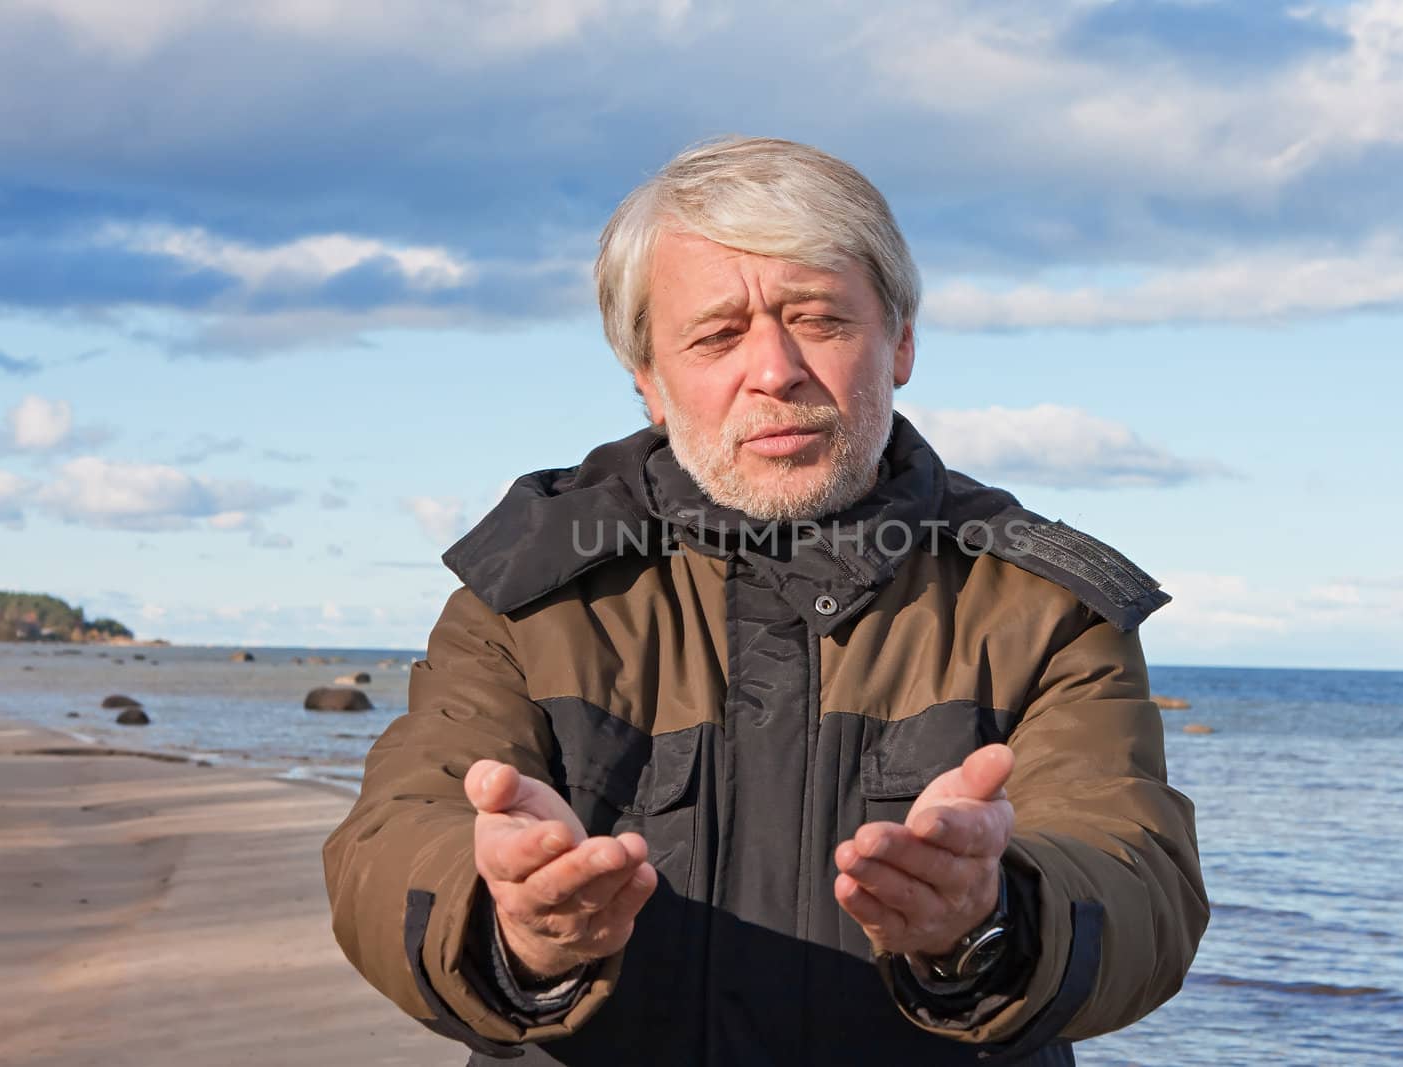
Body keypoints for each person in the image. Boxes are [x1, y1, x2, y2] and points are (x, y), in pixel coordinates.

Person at [324, 136, 1207, 1067]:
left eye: (819, 319)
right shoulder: (531, 601)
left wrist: (993, 917)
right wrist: (512, 926)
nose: (775, 369)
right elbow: (388, 842)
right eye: (716, 335)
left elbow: (1139, 871)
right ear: (648, 382)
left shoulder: (1040, 606)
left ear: (900, 341)